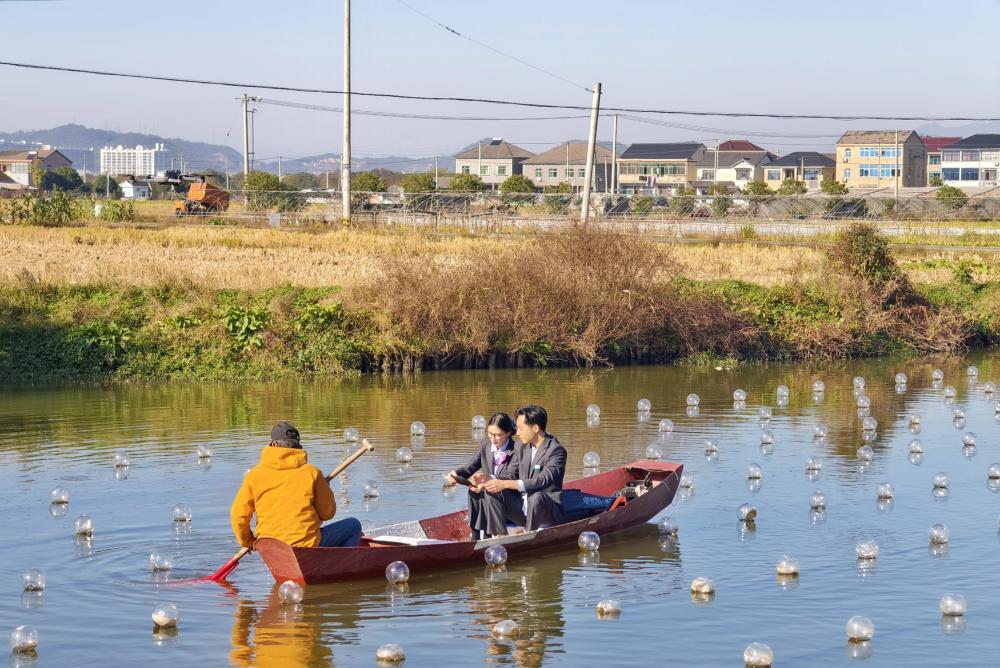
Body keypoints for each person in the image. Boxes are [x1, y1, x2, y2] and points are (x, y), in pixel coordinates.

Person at [231, 421, 362, 549]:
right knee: (354, 525)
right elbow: (327, 514)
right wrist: (324, 488)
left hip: (270, 546)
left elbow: (238, 515)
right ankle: (338, 566)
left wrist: (248, 541)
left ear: (272, 444)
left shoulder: (254, 475)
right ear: (298, 445)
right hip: (307, 544)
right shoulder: (312, 473)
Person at [482, 404, 567, 531]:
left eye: (521, 428)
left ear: (535, 428)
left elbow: (541, 481)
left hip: (546, 513)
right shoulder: (520, 446)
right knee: (492, 490)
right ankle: (498, 537)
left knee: (537, 496)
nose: (517, 433)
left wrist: (505, 484)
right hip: (522, 509)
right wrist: (489, 479)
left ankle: (528, 535)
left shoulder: (556, 451)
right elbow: (511, 473)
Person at [447, 412, 518, 538]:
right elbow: (470, 467)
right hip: (488, 494)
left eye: (497, 435)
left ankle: (493, 535)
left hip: (509, 498)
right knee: (473, 490)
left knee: (490, 490)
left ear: (508, 433)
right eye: (490, 434)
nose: (493, 438)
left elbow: (511, 476)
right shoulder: (485, 445)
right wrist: (456, 474)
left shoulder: (517, 450)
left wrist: (489, 480)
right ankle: (475, 535)